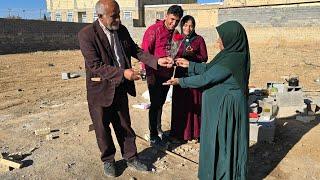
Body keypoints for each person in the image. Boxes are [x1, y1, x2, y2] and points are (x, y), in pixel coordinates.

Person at [78, 0, 173, 177]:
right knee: (102, 128)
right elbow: (95, 65)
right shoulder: (87, 34)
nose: (118, 18)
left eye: (119, 14)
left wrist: (156, 61)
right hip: (100, 90)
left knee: (124, 125)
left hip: (120, 88)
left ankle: (131, 157)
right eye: (114, 16)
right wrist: (124, 73)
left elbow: (136, 50)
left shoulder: (121, 29)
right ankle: (108, 160)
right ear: (100, 16)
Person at [165, 21, 250, 179]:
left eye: (221, 38)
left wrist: (180, 82)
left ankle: (223, 174)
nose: (218, 41)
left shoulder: (233, 59)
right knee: (220, 142)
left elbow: (206, 78)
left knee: (224, 142)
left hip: (227, 109)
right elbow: (210, 68)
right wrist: (190, 65)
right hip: (223, 106)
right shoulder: (229, 55)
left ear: (231, 39)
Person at [141, 5, 184, 147]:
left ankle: (158, 129)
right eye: (172, 19)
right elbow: (144, 53)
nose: (173, 23)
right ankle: (153, 134)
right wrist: (145, 71)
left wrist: (174, 59)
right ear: (166, 16)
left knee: (161, 102)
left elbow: (175, 51)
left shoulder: (176, 33)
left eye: (177, 21)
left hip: (167, 73)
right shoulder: (153, 30)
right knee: (154, 104)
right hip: (153, 73)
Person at [170, 15, 208, 143]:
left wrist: (193, 56)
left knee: (194, 103)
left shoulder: (199, 39)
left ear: (194, 27)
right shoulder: (177, 39)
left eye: (191, 25)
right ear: (182, 26)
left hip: (194, 74)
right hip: (180, 74)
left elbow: (204, 57)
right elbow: (172, 55)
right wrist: (174, 60)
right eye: (185, 25)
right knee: (180, 104)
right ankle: (179, 134)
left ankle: (196, 133)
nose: (188, 28)